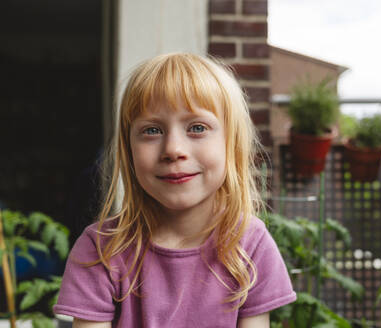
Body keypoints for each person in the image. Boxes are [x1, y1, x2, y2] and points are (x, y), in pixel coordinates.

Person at [53, 53, 296, 327]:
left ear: (232, 144)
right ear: (128, 148)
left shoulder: (251, 245)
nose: (173, 149)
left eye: (197, 127)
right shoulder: (99, 251)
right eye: (152, 130)